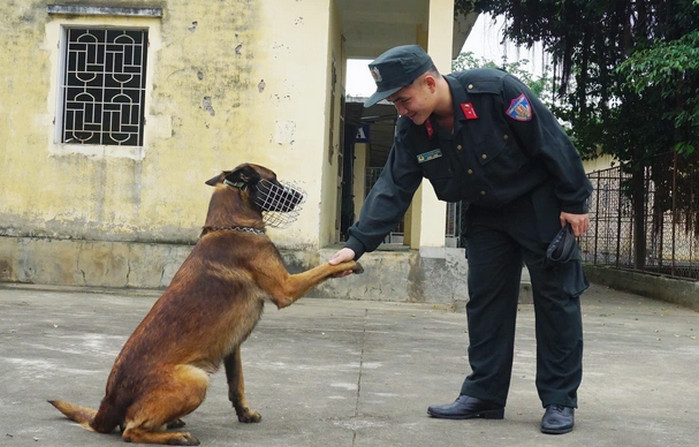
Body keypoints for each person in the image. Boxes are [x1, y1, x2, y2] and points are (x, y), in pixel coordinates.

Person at [329, 44, 592, 434]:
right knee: (485, 301)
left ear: (430, 83)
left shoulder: (496, 92)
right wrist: (356, 243)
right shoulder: (412, 129)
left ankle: (558, 400)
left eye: (403, 99)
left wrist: (574, 200)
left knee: (556, 300)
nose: (401, 110)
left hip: (538, 206)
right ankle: (484, 395)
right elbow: (393, 186)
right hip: (485, 215)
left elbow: (548, 139)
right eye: (395, 104)